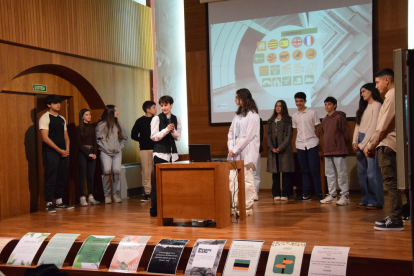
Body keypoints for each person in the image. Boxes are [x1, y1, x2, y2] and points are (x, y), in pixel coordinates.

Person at [364, 69, 403, 231]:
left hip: (387, 144)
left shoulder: (392, 96)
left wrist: (370, 145)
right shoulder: (391, 96)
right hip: (388, 143)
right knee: (392, 183)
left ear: (387, 80)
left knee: (392, 183)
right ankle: (395, 216)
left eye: (378, 82)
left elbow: (381, 127)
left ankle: (396, 219)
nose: (376, 86)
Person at [227, 88, 260, 216]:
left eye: (237, 98)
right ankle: (234, 205)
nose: (235, 100)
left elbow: (247, 137)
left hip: (246, 152)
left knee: (247, 180)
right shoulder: (237, 115)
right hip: (234, 153)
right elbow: (230, 133)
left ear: (243, 99)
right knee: (232, 180)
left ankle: (247, 207)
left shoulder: (253, 116)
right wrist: (230, 147)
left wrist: (235, 149)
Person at [39, 94, 74, 213]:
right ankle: (48, 203)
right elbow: (45, 138)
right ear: (49, 105)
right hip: (51, 152)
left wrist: (67, 149)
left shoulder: (62, 118)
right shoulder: (45, 117)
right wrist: (59, 150)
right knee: (51, 177)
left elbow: (66, 136)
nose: (58, 105)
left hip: (64, 152)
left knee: (61, 176)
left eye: (59, 102)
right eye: (55, 103)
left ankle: (59, 201)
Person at [352, 83, 384, 209]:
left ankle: (376, 200)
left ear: (371, 91)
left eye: (364, 91)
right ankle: (365, 199)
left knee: (372, 173)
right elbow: (357, 126)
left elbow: (373, 127)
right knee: (362, 173)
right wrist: (355, 141)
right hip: (360, 140)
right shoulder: (363, 107)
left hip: (370, 141)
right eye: (361, 92)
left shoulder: (377, 105)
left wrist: (362, 144)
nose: (362, 94)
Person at [149, 95, 181, 217]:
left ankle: (171, 208)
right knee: (157, 183)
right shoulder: (156, 119)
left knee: (173, 183)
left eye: (166, 105)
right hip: (160, 154)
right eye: (161, 105)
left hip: (173, 155)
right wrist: (166, 130)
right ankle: (155, 209)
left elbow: (178, 137)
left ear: (171, 105)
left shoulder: (176, 118)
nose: (163, 108)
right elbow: (154, 136)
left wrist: (172, 131)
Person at [292, 92, 323, 201]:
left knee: (314, 170)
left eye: (301, 101)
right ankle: (306, 194)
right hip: (300, 145)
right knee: (304, 170)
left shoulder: (312, 113)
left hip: (312, 144)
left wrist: (317, 140)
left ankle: (319, 193)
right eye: (297, 101)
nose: (299, 103)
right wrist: (295, 145)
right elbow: (296, 131)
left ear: (305, 101)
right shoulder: (294, 116)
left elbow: (318, 127)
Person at [320, 97, 351, 205]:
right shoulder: (324, 119)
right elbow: (324, 134)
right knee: (329, 174)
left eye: (329, 104)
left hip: (338, 149)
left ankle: (345, 196)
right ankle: (332, 195)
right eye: (325, 104)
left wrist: (341, 144)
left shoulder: (339, 117)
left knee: (341, 173)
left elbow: (346, 133)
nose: (327, 106)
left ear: (334, 105)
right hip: (327, 150)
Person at [96, 105, 128, 204]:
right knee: (107, 171)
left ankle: (116, 194)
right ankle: (107, 195)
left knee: (117, 171)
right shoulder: (101, 125)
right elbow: (97, 139)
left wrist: (120, 147)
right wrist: (102, 147)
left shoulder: (118, 124)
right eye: (115, 110)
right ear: (110, 112)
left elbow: (124, 137)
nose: (117, 112)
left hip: (117, 152)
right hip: (106, 152)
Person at [266, 100, 294, 201]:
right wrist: (271, 147)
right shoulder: (271, 120)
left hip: (284, 149)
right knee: (275, 172)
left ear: (284, 108)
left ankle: (286, 193)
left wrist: (280, 147)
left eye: (280, 106)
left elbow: (289, 135)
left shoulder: (288, 120)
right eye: (276, 106)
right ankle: (276, 193)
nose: (278, 108)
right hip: (273, 148)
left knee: (285, 172)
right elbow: (268, 135)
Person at [131, 101, 157, 202]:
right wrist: (142, 140)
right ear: (148, 110)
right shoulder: (140, 121)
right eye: (153, 107)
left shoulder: (157, 119)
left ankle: (157, 192)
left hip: (157, 149)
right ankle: (147, 193)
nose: (155, 109)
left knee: (157, 171)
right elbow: (133, 135)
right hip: (145, 149)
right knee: (146, 171)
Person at [76, 109, 100, 207]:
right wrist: (87, 153)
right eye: (86, 115)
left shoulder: (92, 128)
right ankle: (82, 197)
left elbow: (95, 141)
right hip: (83, 153)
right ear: (82, 117)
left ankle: (90, 196)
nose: (89, 116)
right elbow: (79, 143)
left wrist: (94, 153)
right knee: (82, 176)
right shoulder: (78, 128)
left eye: (89, 114)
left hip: (91, 151)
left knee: (91, 175)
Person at [253, 118, 264, 201]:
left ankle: (255, 192)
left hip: (255, 149)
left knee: (255, 171)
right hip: (243, 149)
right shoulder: (240, 118)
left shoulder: (258, 120)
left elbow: (260, 136)